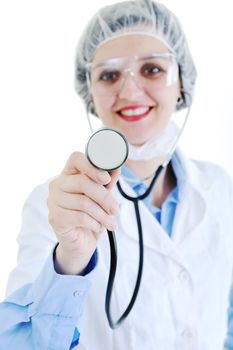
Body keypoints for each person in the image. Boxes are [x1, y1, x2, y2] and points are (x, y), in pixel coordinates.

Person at [0, 0, 233, 349]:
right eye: (108, 75)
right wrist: (71, 260)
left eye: (152, 69)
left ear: (183, 80)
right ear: (89, 94)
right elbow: (24, 344)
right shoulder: (54, 207)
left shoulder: (221, 188)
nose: (129, 91)